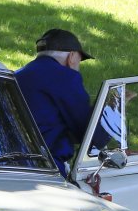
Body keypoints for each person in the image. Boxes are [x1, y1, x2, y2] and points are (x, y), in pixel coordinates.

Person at [13, 28, 94, 173]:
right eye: (79, 60)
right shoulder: (66, 77)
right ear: (72, 57)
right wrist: (114, 105)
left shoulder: (17, 75)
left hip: (0, 161)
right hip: (43, 168)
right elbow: (89, 132)